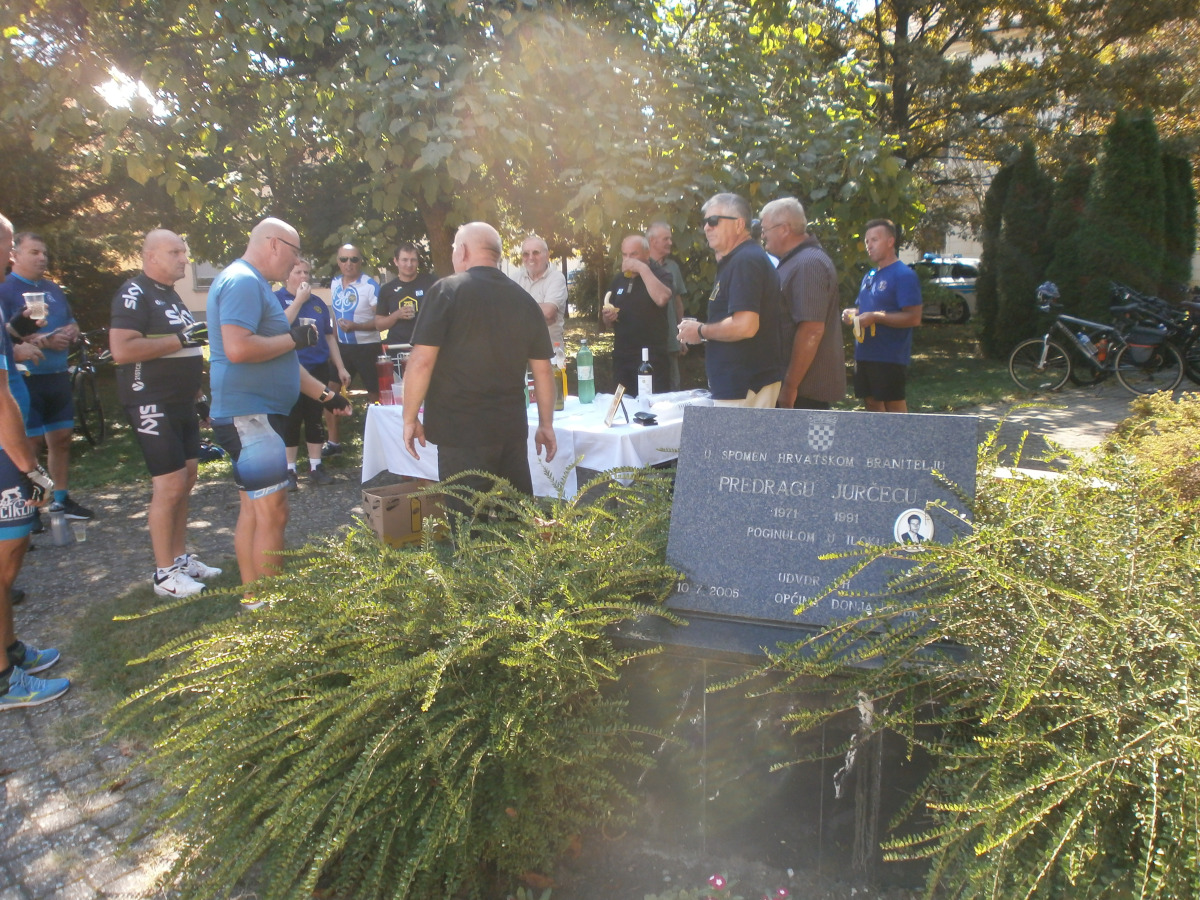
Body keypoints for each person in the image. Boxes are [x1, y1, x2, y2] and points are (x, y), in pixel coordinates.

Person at [207, 218, 351, 608]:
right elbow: (238, 348)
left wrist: (327, 397)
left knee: (256, 511)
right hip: (250, 415)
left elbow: (283, 360)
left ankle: (255, 600)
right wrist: (293, 339)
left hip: (254, 414)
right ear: (274, 244)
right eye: (294, 251)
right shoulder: (242, 282)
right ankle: (273, 613)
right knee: (273, 512)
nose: (295, 262)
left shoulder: (256, 285)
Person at [402, 222, 556, 516]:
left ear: (462, 251)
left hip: (460, 431)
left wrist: (409, 418)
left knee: (467, 525)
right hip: (510, 428)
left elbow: (421, 361)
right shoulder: (525, 300)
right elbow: (543, 371)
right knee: (514, 522)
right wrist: (545, 424)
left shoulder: (446, 291)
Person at [108, 229, 224, 598]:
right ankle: (163, 575)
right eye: (174, 252)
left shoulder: (171, 294)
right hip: (150, 400)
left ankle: (179, 559)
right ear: (150, 256)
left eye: (183, 252)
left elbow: (186, 350)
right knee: (169, 484)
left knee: (187, 478)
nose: (184, 259)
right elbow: (122, 350)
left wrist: (198, 396)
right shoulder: (134, 292)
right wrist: (181, 339)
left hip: (180, 401)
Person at [0, 213, 68, 709]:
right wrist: (31, 469)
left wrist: (18, 334)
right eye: (5, 246)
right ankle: (5, 680)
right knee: (4, 558)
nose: (8, 256)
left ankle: (9, 649)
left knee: (13, 551)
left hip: (10, 444)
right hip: (7, 449)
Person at [0, 233, 93, 521]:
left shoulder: (52, 288)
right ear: (15, 254)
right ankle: (26, 508)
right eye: (34, 252)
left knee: (62, 438)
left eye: (45, 253)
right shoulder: (6, 287)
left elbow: (69, 320)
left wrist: (71, 331)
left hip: (56, 374)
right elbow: (9, 337)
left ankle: (61, 500)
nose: (42, 258)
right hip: (26, 377)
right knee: (29, 443)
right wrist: (45, 341)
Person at [677, 193, 783, 407]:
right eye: (705, 222)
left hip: (745, 385)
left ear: (739, 224)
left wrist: (700, 331)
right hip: (741, 385)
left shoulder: (745, 260)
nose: (707, 227)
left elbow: (745, 326)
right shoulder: (740, 259)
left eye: (714, 221)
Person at [758, 197, 846, 410]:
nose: (762, 236)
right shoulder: (797, 261)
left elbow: (811, 330)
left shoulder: (808, 264)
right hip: (796, 391)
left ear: (784, 229)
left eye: (765, 229)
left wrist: (790, 386)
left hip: (803, 394)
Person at [275, 258, 348, 488]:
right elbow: (278, 327)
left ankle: (316, 466)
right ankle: (289, 470)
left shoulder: (318, 303)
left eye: (307, 272)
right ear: (287, 275)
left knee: (314, 417)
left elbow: (329, 337)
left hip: (317, 367)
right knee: (291, 419)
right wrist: (298, 300)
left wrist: (340, 367)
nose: (304, 277)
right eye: (298, 272)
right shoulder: (277, 299)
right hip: (289, 368)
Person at [841, 219, 923, 412]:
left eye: (875, 240)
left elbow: (913, 317)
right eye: (867, 241)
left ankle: (901, 434)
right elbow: (866, 309)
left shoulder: (904, 275)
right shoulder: (869, 276)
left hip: (889, 356)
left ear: (890, 241)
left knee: (893, 407)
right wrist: (853, 314)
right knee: (871, 404)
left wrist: (876, 317)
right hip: (864, 353)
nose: (869, 245)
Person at [324, 243, 380, 456]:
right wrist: (333, 342)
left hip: (368, 347)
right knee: (330, 391)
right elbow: (334, 314)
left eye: (354, 259)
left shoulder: (370, 285)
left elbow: (381, 321)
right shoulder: (335, 283)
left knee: (375, 395)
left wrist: (356, 326)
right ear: (338, 262)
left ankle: (378, 444)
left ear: (360, 261)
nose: (349, 263)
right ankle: (333, 443)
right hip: (342, 347)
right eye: (344, 259)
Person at [601, 235, 673, 396]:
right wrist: (608, 317)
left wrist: (642, 269)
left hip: (653, 358)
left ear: (647, 254)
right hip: (623, 358)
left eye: (633, 254)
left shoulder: (660, 275)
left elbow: (662, 298)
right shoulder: (618, 280)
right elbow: (607, 322)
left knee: (653, 406)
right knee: (624, 404)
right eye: (625, 255)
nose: (628, 259)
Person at [646, 222, 688, 391]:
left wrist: (682, 336)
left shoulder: (673, 267)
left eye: (670, 239)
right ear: (652, 241)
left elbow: (678, 304)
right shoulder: (641, 267)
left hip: (671, 341)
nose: (670, 242)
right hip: (647, 343)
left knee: (673, 389)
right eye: (666, 239)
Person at [511, 235, 569, 349]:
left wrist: (516, 310)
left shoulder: (556, 278)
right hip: (520, 351)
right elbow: (504, 312)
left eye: (536, 253)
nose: (531, 258)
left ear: (547, 255)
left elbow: (548, 312)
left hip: (549, 351)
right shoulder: (515, 279)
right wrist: (539, 315)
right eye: (526, 254)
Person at [376, 242, 436, 347]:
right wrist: (396, 315)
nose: (409, 264)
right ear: (396, 261)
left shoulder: (432, 282)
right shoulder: (387, 289)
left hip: (426, 345)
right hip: (397, 346)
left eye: (413, 260)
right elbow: (379, 325)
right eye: (404, 260)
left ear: (418, 261)